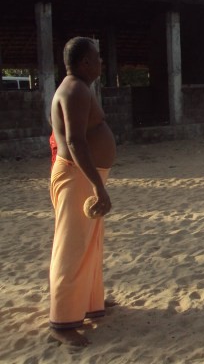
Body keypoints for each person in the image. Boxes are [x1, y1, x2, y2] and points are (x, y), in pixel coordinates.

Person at [48, 37, 116, 346]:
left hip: (84, 176)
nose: (101, 62)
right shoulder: (74, 90)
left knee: (89, 243)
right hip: (78, 177)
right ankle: (62, 323)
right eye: (97, 57)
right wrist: (97, 186)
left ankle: (88, 302)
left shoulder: (79, 88)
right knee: (72, 246)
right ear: (84, 62)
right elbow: (75, 141)